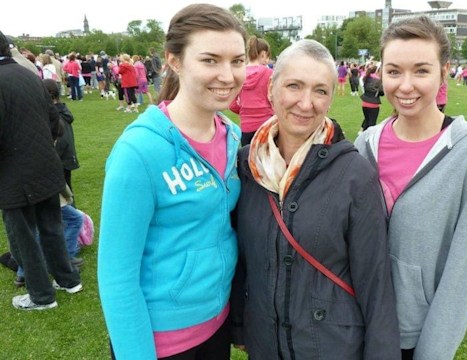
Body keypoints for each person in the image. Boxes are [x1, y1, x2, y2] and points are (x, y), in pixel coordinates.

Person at [230, 39, 400, 360]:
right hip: (265, 344)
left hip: (331, 346)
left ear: (331, 98)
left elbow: (375, 282)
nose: (306, 104)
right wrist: (240, 323)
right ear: (271, 90)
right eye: (294, 86)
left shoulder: (354, 174)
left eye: (320, 91)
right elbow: (241, 258)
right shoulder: (245, 166)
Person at [97, 4, 246, 359]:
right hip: (163, 343)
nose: (227, 75)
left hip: (217, 324)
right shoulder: (139, 151)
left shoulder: (233, 137)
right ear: (174, 61)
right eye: (210, 60)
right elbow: (117, 278)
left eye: (237, 61)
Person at [354, 16, 467, 359]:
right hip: (356, 327)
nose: (405, 86)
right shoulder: (365, 144)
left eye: (421, 70)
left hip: (413, 338)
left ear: (443, 72)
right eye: (393, 71)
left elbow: (463, 271)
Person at [0, 30, 82, 311]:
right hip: (45, 166)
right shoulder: (28, 74)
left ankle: (41, 295)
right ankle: (68, 279)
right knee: (51, 227)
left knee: (23, 237)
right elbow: (53, 121)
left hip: (15, 174)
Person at [229, 35, 273, 146]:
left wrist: (245, 110)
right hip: (266, 124)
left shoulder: (240, 73)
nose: (267, 61)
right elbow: (275, 98)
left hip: (246, 126)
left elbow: (232, 103)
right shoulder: (269, 74)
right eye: (267, 57)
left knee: (248, 159)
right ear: (263, 54)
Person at [359, 64, 384, 132]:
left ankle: (363, 134)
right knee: (372, 123)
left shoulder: (367, 78)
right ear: (377, 71)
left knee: (367, 120)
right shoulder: (378, 81)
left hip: (364, 103)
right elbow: (382, 92)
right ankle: (369, 138)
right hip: (373, 104)